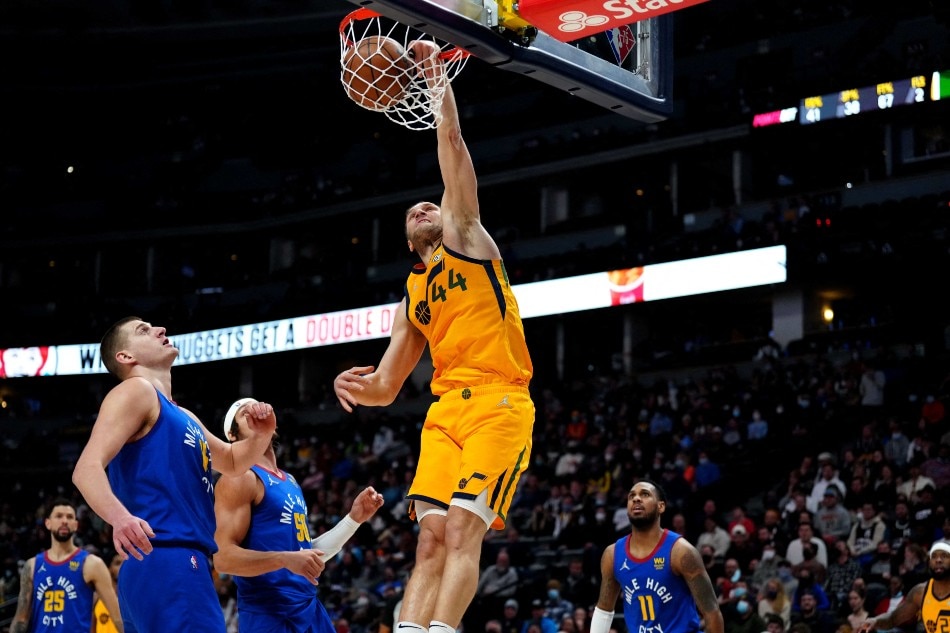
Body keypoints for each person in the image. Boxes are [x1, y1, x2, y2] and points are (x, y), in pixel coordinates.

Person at [333, 40, 535, 633]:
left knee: (464, 529)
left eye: (433, 204)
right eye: (414, 210)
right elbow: (388, 387)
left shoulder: (469, 239)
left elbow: (451, 149)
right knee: (428, 543)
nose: (425, 206)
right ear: (406, 239)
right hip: (444, 415)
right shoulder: (412, 297)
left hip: (498, 403)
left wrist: (433, 76)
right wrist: (358, 387)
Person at [71, 317, 278, 633]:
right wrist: (120, 518)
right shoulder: (136, 391)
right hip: (169, 558)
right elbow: (86, 469)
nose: (160, 330)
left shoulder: (182, 414)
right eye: (143, 330)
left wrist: (261, 437)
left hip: (166, 565)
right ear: (125, 357)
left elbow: (234, 461)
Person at [213, 397, 385, 632]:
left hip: (308, 606)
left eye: (258, 408)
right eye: (245, 414)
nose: (256, 412)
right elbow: (223, 559)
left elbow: (305, 557)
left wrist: (353, 520)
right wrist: (283, 559)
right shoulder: (240, 477)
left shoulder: (290, 481)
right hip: (268, 612)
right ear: (232, 436)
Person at [591, 479, 723, 633]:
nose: (636, 498)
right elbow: (604, 610)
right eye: (631, 496)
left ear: (661, 506)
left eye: (645, 494)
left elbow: (711, 612)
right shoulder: (612, 554)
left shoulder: (681, 552)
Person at [9, 497, 124, 633]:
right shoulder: (32, 565)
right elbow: (21, 619)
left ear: (75, 525)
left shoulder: (92, 564)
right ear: (48, 523)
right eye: (58, 516)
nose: (64, 521)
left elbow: (117, 617)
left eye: (69, 517)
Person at [860, 541, 949, 633]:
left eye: (944, 556)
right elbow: (892, 619)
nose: (938, 560)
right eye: (934, 557)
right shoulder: (920, 592)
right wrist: (875, 621)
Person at [94, 554, 123, 633]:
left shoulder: (134, 600)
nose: (122, 567)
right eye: (118, 563)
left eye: (125, 563)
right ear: (109, 569)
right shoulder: (97, 598)